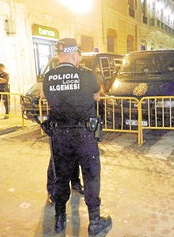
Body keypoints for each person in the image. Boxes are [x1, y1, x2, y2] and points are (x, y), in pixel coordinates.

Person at [41, 38, 112, 236]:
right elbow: (98, 95)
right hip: (84, 135)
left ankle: (60, 220)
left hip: (60, 136)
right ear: (74, 55)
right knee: (91, 176)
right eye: (79, 54)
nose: (79, 58)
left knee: (61, 176)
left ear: (59, 55)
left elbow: (43, 96)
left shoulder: (49, 76)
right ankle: (95, 222)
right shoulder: (86, 75)